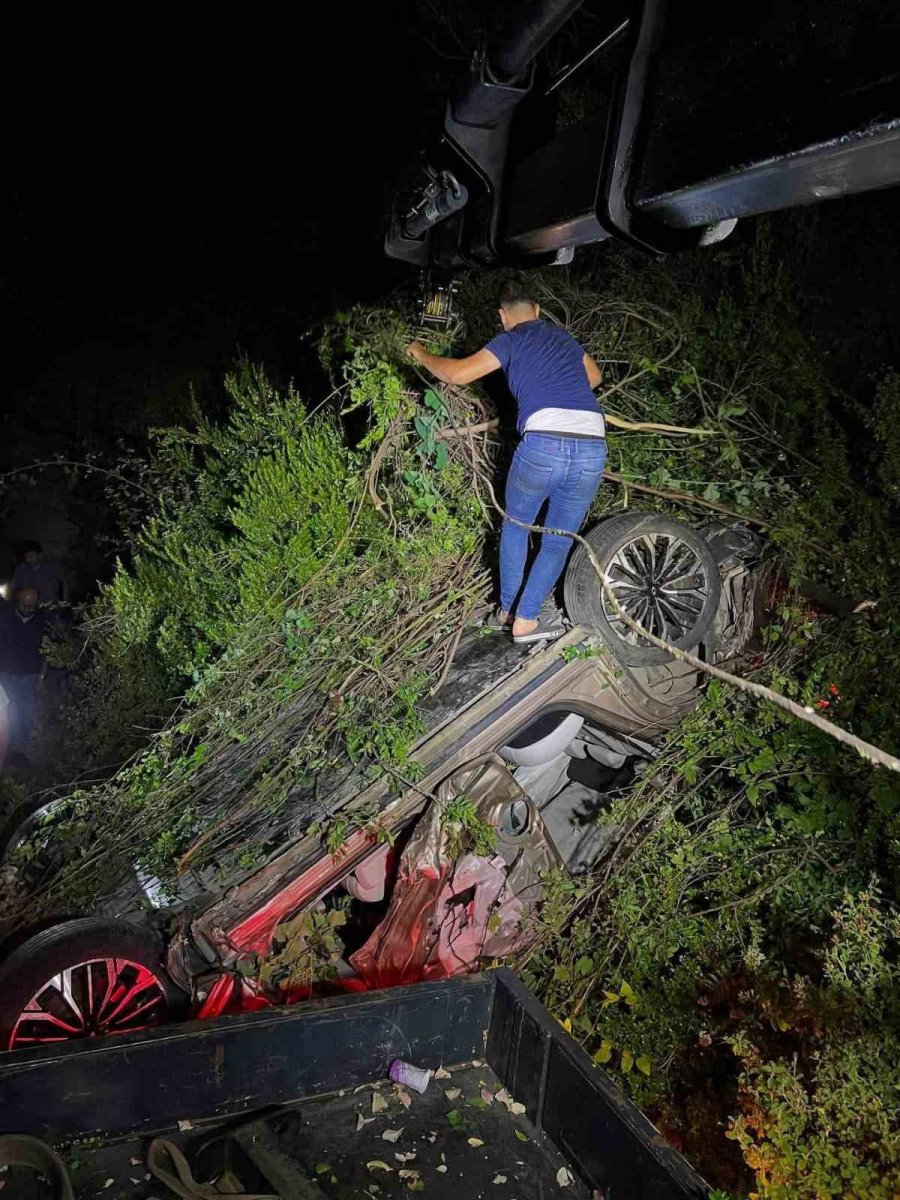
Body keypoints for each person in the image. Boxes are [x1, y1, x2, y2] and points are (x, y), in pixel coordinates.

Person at [407, 275, 606, 644]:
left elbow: (457, 374)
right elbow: (593, 377)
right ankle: (527, 617)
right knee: (558, 539)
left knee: (517, 527)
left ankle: (511, 612)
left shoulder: (510, 339)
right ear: (537, 309)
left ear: (502, 316)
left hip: (544, 444)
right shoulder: (562, 337)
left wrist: (418, 351)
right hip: (592, 444)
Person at [0, 587, 47, 765]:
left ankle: (19, 752)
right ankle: (5, 751)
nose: (28, 608)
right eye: (24, 604)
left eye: (31, 605)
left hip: (29, 675)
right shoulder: (6, 618)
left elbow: (46, 651)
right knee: (6, 715)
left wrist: (42, 674)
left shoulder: (41, 623)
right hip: (5, 674)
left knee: (25, 712)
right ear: (18, 601)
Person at [11, 541, 63, 605]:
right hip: (28, 608)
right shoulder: (20, 571)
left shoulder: (52, 569)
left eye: (32, 556)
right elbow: (15, 590)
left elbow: (63, 585)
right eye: (26, 557)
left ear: (40, 555)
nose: (28, 560)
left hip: (48, 607)